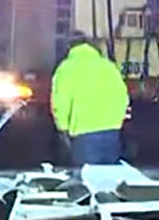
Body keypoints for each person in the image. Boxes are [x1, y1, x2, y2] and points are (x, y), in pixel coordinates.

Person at [50, 34, 129, 166]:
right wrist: (117, 122)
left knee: (87, 181)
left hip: (84, 136)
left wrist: (62, 129)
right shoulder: (108, 66)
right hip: (112, 133)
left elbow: (60, 103)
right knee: (109, 181)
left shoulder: (66, 68)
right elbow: (123, 98)